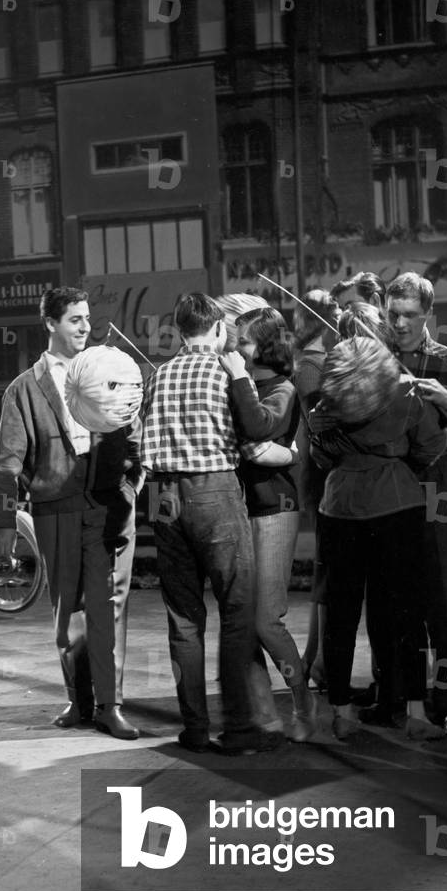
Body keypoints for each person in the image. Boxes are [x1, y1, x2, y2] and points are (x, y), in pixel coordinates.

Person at [0, 287, 142, 740]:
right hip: (54, 507)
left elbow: (134, 432)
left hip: (105, 503)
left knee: (105, 605)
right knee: (66, 609)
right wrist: (0, 521)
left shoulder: (107, 372)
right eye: (75, 319)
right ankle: (81, 699)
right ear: (51, 323)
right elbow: (6, 460)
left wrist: (132, 484)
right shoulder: (24, 388)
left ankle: (110, 706)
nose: (85, 327)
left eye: (88, 318)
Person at [139, 292, 290, 755]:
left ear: (180, 330)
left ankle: (195, 729)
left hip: (163, 497)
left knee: (184, 619)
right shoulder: (226, 373)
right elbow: (254, 432)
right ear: (220, 330)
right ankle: (240, 728)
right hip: (214, 493)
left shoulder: (158, 374)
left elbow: (139, 433)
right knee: (237, 611)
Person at [310, 336, 447, 741]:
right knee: (408, 612)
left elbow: (321, 458)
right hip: (397, 505)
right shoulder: (407, 396)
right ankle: (417, 713)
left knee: (341, 613)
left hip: (339, 507)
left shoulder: (325, 407)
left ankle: (340, 712)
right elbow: (430, 448)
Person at [386, 272, 447, 737]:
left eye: (409, 315)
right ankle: (405, 701)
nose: (400, 323)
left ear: (428, 314)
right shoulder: (376, 359)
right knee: (398, 603)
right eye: (393, 314)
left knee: (443, 601)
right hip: (389, 487)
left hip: (439, 488)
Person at [233, 309, 316, 742]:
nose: (235, 348)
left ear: (264, 345)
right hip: (241, 509)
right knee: (244, 623)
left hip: (275, 509)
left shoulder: (279, 389)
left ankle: (302, 703)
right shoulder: (245, 385)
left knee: (266, 621)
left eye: (243, 341)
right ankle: (264, 715)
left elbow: (257, 429)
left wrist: (257, 448)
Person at [291, 289, 340, 690]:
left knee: (328, 568)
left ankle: (313, 656)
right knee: (330, 570)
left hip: (322, 475)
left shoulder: (315, 359)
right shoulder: (312, 364)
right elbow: (321, 427)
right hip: (325, 476)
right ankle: (318, 659)